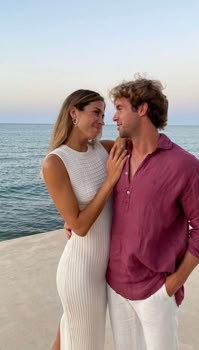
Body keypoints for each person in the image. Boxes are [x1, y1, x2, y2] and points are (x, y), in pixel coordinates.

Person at [104, 76, 199, 350]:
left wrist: (174, 283)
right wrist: (71, 219)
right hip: (115, 286)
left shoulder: (184, 165)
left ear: (141, 109)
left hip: (155, 291)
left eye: (120, 108)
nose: (114, 116)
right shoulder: (117, 156)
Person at [41, 89, 127, 350]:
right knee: (86, 344)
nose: (102, 120)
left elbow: (131, 139)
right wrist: (110, 179)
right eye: (96, 113)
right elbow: (78, 226)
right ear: (74, 113)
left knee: (70, 336)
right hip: (81, 273)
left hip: (104, 270)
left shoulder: (103, 149)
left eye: (104, 113)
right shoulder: (55, 163)